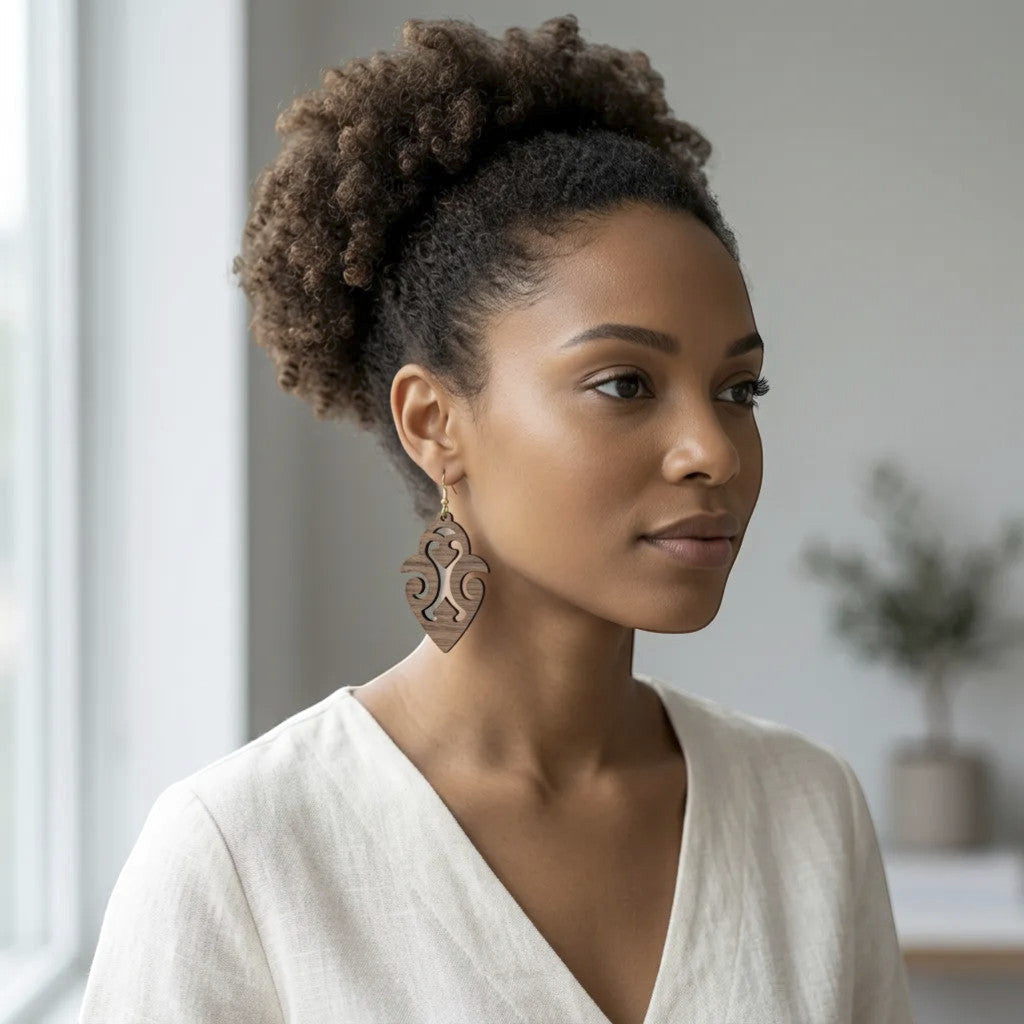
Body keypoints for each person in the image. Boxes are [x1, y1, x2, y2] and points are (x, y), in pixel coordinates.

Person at [78, 14, 915, 1024]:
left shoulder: (806, 813)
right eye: (623, 382)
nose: (714, 450)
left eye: (740, 390)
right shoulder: (241, 858)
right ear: (435, 424)